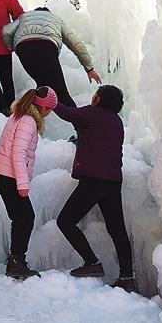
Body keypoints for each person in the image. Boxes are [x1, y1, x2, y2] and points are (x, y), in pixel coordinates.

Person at [54, 85, 135, 292]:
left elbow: (67, 113)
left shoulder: (92, 113)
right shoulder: (117, 122)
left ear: (98, 99)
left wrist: (50, 100)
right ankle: (127, 277)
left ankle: (92, 262)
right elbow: (97, 139)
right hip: (113, 181)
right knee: (117, 230)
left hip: (94, 180)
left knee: (65, 221)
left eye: (95, 95)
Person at [0, 86, 58, 280]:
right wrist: (22, 183)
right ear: (43, 107)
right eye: (50, 109)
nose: (50, 113)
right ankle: (16, 262)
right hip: (9, 176)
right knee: (26, 217)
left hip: (3, 174)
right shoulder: (28, 121)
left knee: (20, 217)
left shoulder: (20, 115)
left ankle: (16, 260)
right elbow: (18, 153)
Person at [2, 6, 101, 110]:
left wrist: (12, 47)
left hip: (24, 48)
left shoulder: (24, 17)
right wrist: (89, 68)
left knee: (42, 87)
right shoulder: (56, 19)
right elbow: (75, 43)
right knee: (62, 93)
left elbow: (6, 31)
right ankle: (78, 119)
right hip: (46, 47)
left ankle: (27, 116)